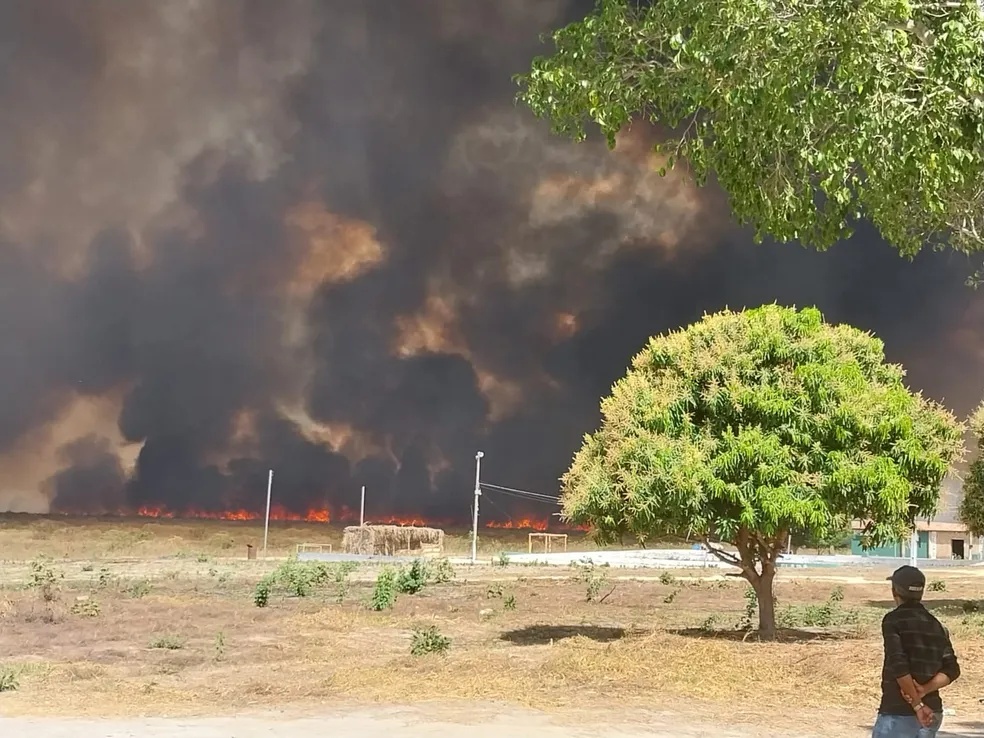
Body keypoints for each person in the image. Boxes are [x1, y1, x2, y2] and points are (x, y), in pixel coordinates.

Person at [872, 565, 961, 738]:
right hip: (933, 711)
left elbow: (899, 666)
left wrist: (917, 704)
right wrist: (925, 689)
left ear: (894, 591)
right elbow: (952, 669)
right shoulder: (936, 625)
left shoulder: (893, 620)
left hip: (900, 712)